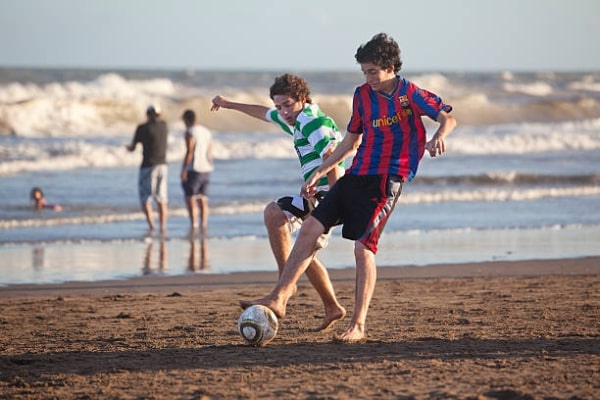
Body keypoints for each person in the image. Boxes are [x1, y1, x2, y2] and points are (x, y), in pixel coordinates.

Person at [240, 33, 457, 343]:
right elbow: (350, 142)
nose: (368, 78)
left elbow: (447, 118)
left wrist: (439, 135)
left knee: (362, 247)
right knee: (309, 228)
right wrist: (321, 171)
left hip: (387, 179)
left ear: (391, 67)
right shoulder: (362, 96)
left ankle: (357, 324)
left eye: (372, 71)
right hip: (355, 175)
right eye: (364, 71)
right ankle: (279, 298)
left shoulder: (411, 94)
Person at [211, 73, 347, 331]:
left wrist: (334, 197)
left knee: (276, 216)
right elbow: (263, 113)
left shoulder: (312, 121)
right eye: (279, 106)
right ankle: (330, 305)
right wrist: (229, 104)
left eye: (287, 104)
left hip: (329, 193)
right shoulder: (296, 119)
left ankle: (281, 295)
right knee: (282, 225)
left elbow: (333, 155)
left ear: (302, 99)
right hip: (317, 193)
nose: (283, 111)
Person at [127, 105, 169, 234]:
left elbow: (133, 147)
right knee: (161, 198)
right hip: (163, 165)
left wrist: (128, 148)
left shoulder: (142, 128)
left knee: (145, 198)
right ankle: (162, 226)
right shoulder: (164, 126)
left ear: (148, 114)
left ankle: (152, 225)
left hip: (148, 165)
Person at [180, 109, 214, 232]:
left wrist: (184, 169)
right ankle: (203, 224)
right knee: (202, 198)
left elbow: (190, 151)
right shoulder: (206, 131)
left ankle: (193, 224)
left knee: (190, 197)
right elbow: (210, 151)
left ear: (186, 120)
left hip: (194, 168)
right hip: (206, 168)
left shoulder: (189, 132)